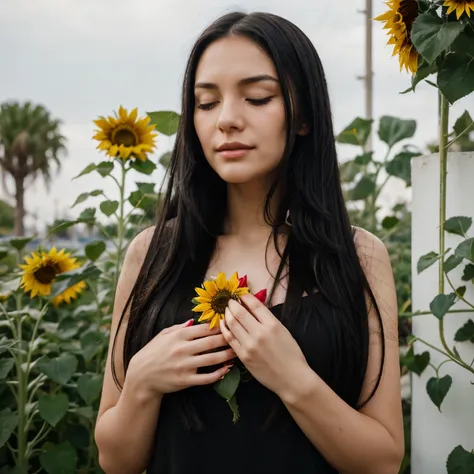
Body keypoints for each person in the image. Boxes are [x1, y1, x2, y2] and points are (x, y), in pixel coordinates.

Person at [94, 11, 404, 474]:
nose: (227, 120)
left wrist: (293, 380)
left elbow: (381, 462)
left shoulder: (359, 257)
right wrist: (141, 384)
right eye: (206, 103)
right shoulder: (152, 253)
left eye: (257, 98)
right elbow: (116, 460)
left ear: (303, 117)